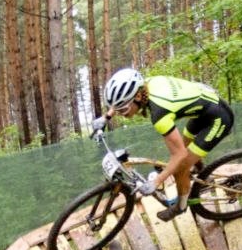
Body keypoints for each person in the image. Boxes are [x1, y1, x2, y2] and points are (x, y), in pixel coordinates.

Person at [93, 68, 234, 222]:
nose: (122, 114)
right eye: (118, 109)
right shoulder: (146, 85)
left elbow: (179, 154)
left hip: (218, 119)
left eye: (123, 109)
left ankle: (180, 206)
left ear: (138, 96)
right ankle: (204, 175)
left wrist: (156, 182)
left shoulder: (159, 114)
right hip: (204, 110)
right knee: (185, 151)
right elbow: (122, 101)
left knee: (180, 168)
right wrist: (106, 117)